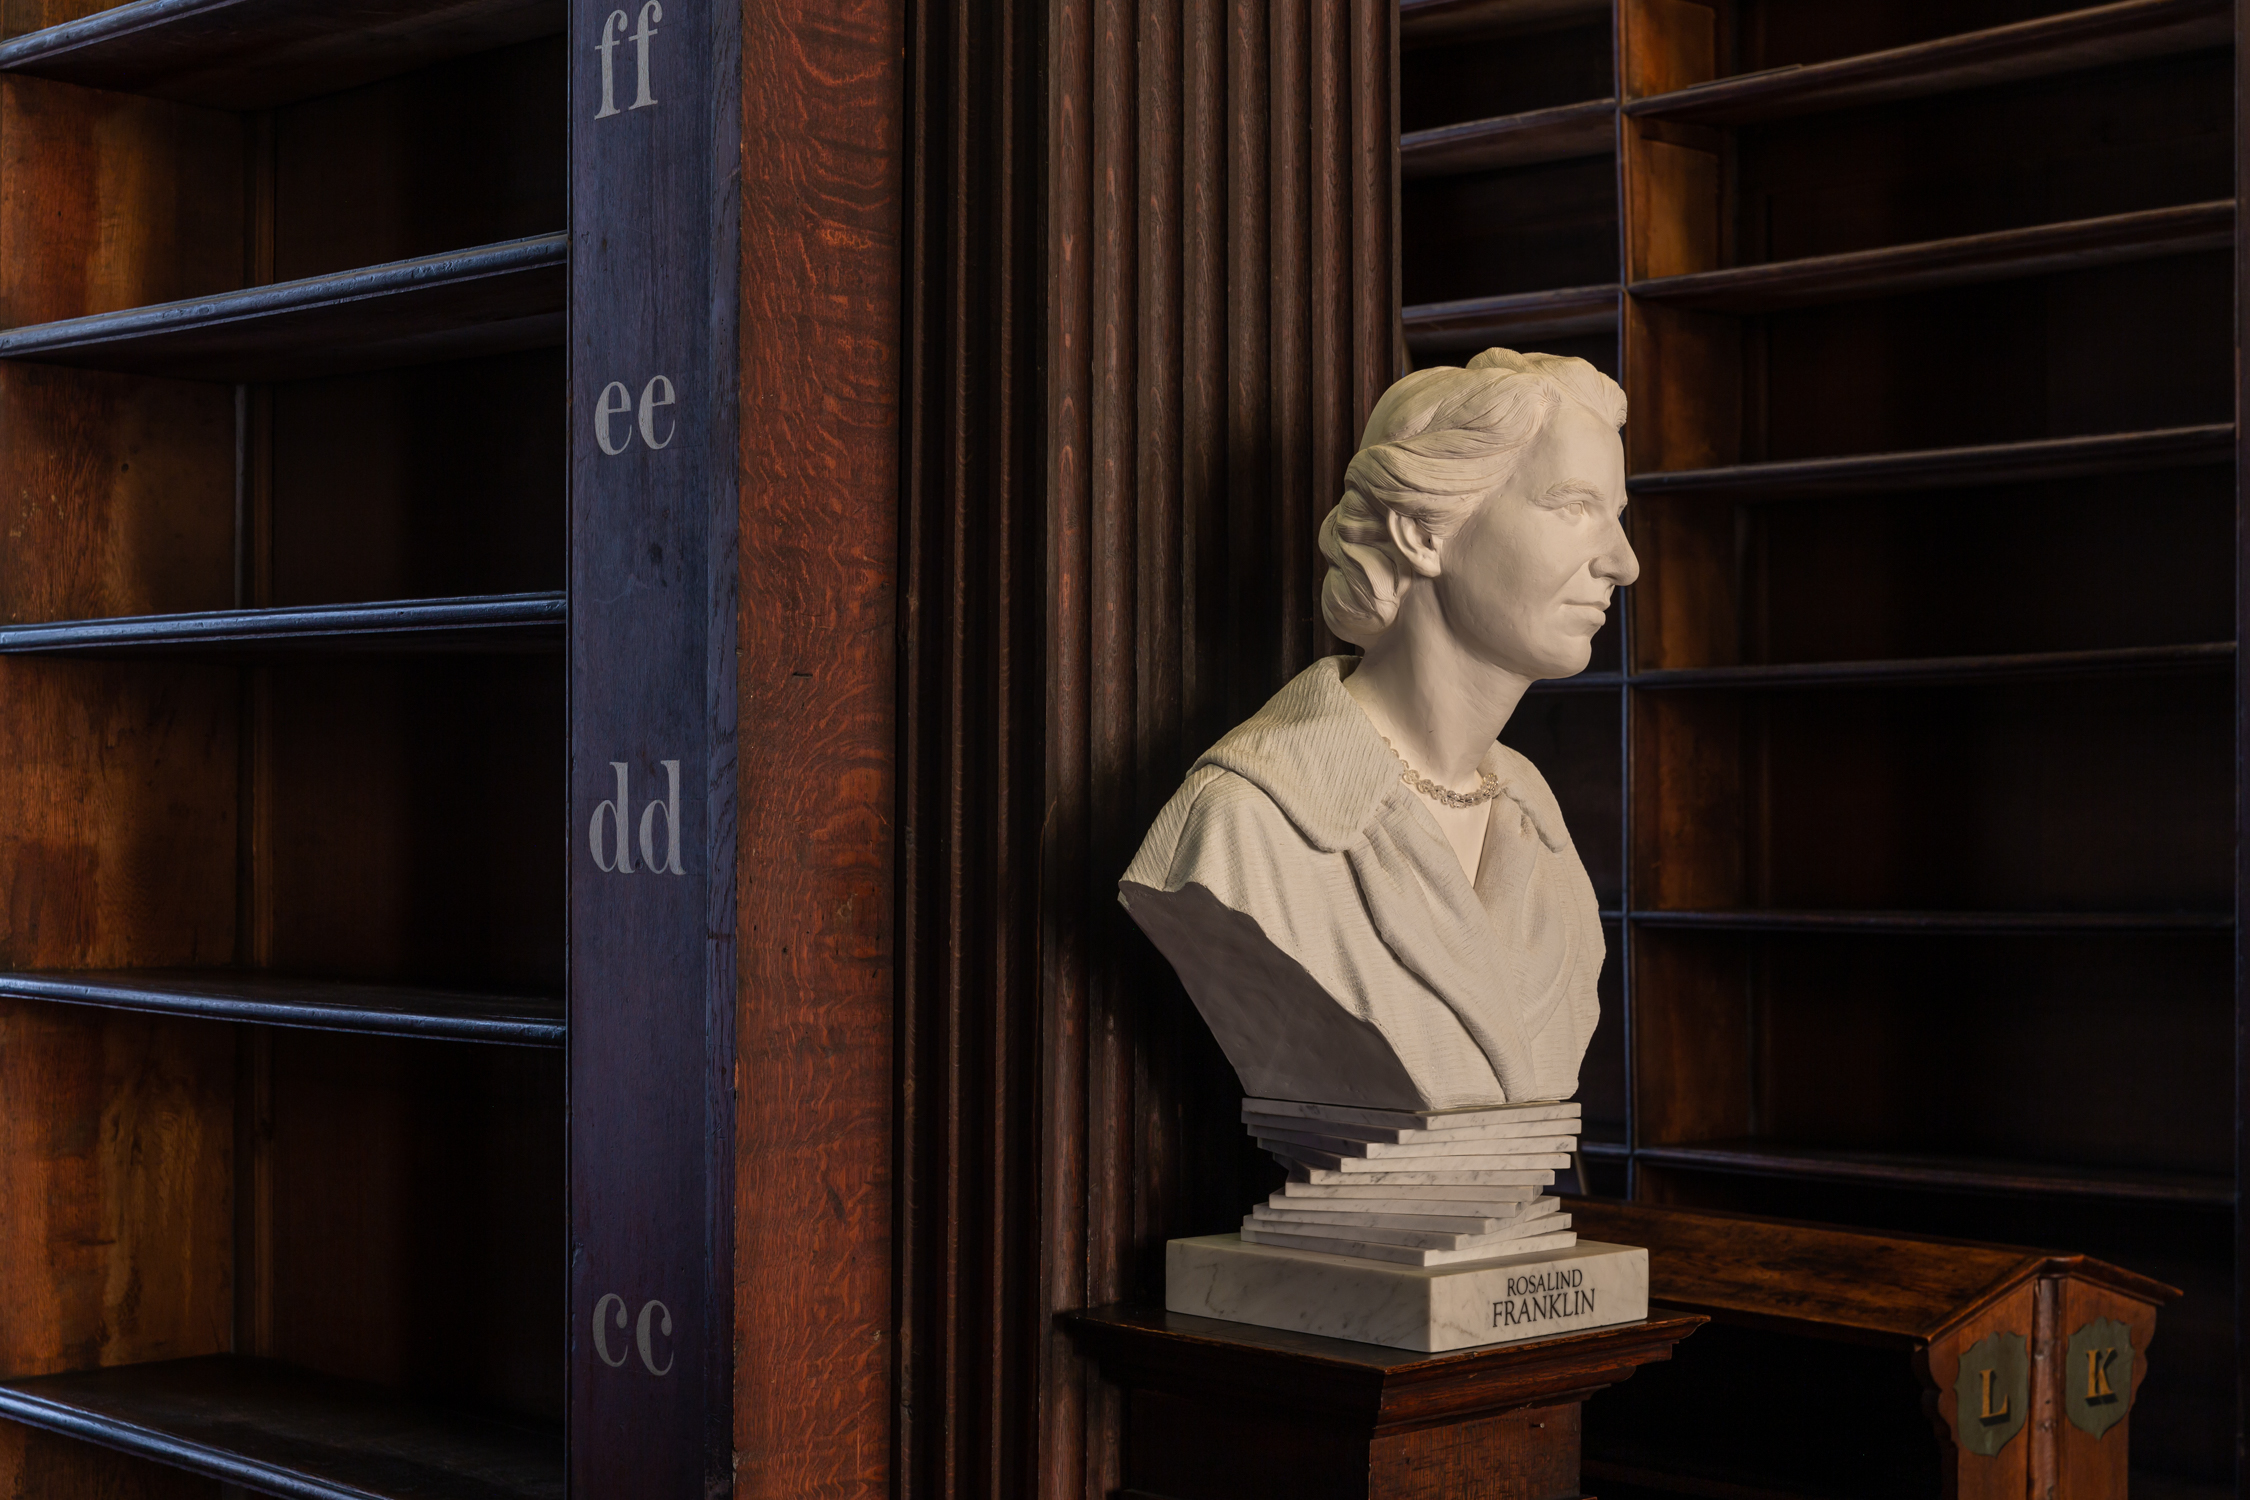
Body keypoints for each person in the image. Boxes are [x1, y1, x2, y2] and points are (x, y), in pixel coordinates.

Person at [1118, 348, 1637, 1110]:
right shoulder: (1247, 827)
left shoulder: (1538, 826)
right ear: (1422, 535)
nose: (1621, 562)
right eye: (1574, 507)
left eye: (1616, 517)